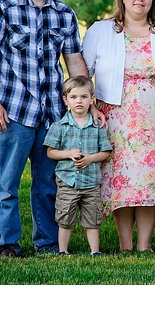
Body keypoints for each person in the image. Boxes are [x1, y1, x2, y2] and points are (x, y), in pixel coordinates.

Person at [0, 0, 91, 256]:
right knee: (6, 185)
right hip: (13, 112)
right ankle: (7, 243)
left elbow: (74, 60)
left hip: (52, 115)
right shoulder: (2, 6)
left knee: (47, 186)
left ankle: (48, 242)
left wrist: (87, 102)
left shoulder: (64, 13)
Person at [82, 0, 155, 252]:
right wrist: (91, 106)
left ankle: (144, 244)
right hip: (115, 117)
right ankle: (125, 244)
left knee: (150, 180)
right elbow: (83, 74)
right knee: (122, 181)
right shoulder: (102, 31)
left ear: (152, 1)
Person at [44, 76, 112, 257]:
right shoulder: (59, 126)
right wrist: (67, 154)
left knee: (92, 218)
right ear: (66, 100)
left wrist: (91, 158)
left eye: (83, 97)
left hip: (91, 181)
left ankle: (95, 251)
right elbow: (50, 152)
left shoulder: (97, 126)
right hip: (68, 181)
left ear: (92, 99)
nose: (79, 101)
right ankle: (62, 250)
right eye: (73, 97)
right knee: (65, 217)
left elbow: (106, 152)